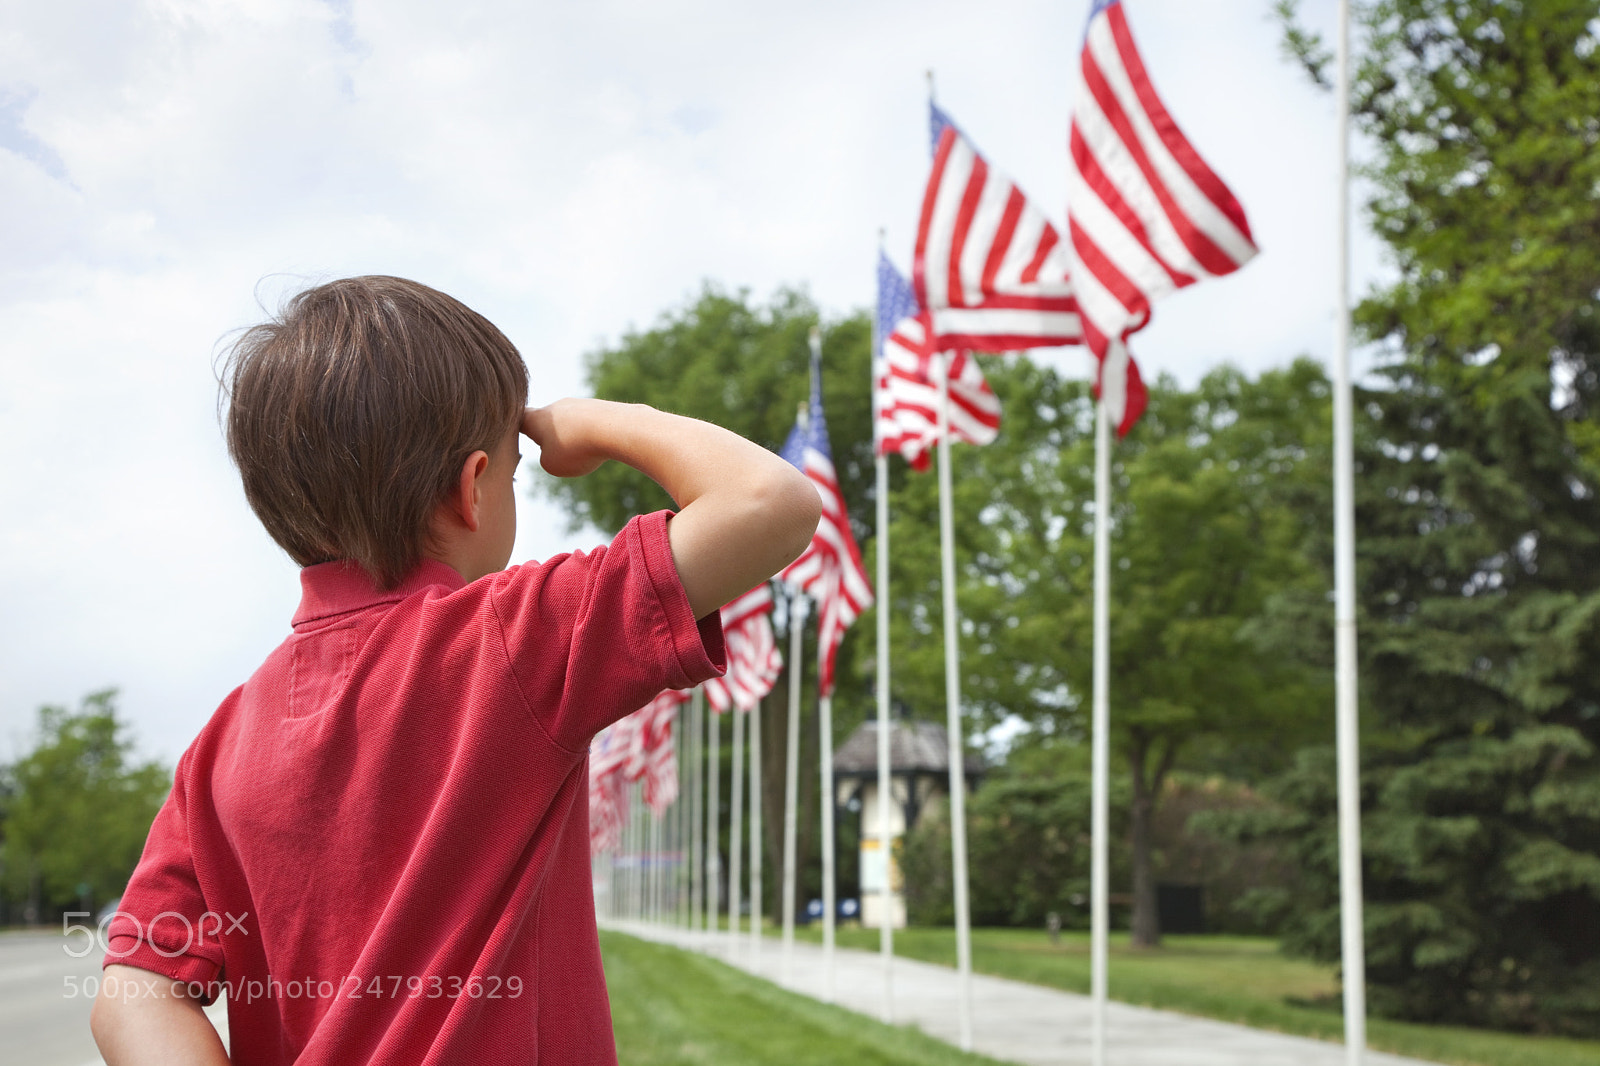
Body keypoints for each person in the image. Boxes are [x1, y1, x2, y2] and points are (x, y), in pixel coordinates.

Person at [89, 276, 821, 1065]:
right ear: (473, 490)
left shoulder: (221, 744)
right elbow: (767, 502)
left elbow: (133, 992)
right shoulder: (510, 637)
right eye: (514, 471)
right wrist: (602, 423)